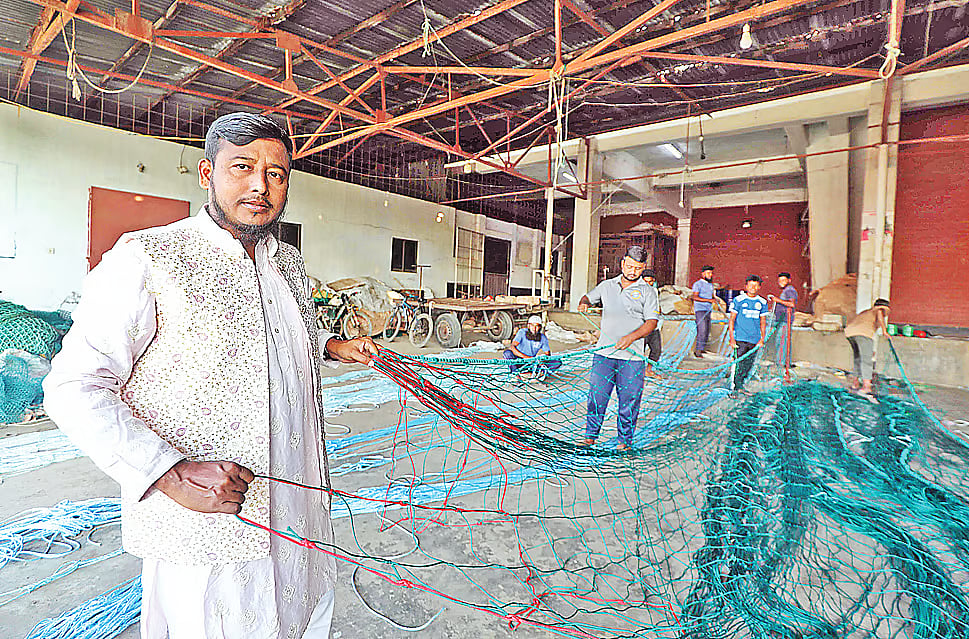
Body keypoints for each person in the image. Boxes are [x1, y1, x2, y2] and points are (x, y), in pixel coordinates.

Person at [43, 112, 377, 639]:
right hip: (207, 522)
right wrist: (167, 473)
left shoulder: (286, 262)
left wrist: (334, 347)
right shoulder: (148, 258)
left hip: (297, 508)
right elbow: (73, 387)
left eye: (276, 173)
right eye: (242, 167)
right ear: (206, 174)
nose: (259, 186)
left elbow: (282, 337)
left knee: (302, 620)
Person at [577, 246, 659, 451]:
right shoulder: (606, 286)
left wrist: (631, 338)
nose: (633, 271)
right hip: (604, 355)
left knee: (629, 401)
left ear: (643, 268)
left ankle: (625, 442)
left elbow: (651, 323)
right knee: (597, 396)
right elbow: (588, 297)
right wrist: (583, 303)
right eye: (630, 266)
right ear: (622, 263)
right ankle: (590, 437)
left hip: (632, 359)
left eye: (638, 268)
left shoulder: (648, 291)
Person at [728, 275, 769, 391]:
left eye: (756, 285)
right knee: (737, 364)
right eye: (751, 285)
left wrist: (761, 339)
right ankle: (733, 389)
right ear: (746, 286)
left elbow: (763, 322)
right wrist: (732, 338)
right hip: (740, 338)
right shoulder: (738, 300)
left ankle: (741, 386)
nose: (753, 287)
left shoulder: (762, 302)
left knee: (748, 365)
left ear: (759, 287)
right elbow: (732, 320)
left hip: (754, 340)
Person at [844, 298, 891, 397]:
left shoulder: (866, 312)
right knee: (866, 360)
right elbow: (880, 316)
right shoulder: (878, 311)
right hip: (863, 334)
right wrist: (884, 331)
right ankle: (866, 387)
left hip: (850, 333)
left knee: (858, 359)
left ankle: (855, 383)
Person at [503, 315, 562, 379]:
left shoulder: (543, 338)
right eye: (532, 325)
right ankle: (515, 374)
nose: (534, 328)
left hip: (531, 362)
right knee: (507, 353)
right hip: (519, 360)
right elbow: (512, 347)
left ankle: (537, 373)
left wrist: (541, 361)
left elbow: (547, 354)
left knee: (557, 362)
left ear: (540, 327)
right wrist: (526, 357)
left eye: (537, 326)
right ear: (528, 326)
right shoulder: (522, 332)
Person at [767, 272, 798, 364]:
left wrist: (777, 300)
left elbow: (791, 304)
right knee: (781, 341)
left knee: (781, 342)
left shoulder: (790, 290)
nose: (781, 282)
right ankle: (783, 362)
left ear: (789, 280)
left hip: (785, 320)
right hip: (781, 320)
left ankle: (782, 364)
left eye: (784, 280)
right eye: (780, 280)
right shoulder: (786, 291)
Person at [690, 265, 716, 358]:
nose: (710, 275)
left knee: (707, 330)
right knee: (702, 329)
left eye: (711, 273)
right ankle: (698, 351)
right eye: (708, 273)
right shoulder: (698, 284)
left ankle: (702, 349)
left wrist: (714, 299)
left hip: (708, 310)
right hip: (700, 310)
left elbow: (711, 296)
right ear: (703, 274)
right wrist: (709, 300)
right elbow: (695, 297)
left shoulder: (710, 285)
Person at [642, 269, 663, 378]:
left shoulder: (654, 291)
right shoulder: (637, 292)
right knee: (639, 350)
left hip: (654, 326)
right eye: (646, 281)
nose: (648, 284)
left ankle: (648, 369)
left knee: (656, 350)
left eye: (650, 282)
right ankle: (636, 372)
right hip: (642, 326)